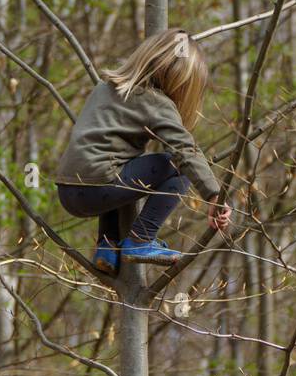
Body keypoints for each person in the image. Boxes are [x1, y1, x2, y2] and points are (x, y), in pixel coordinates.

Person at [56, 28, 232, 274]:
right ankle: (140, 241)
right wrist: (214, 195)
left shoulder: (105, 88)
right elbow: (185, 150)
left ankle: (107, 247)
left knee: (117, 165)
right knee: (176, 167)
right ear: (181, 82)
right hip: (98, 189)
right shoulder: (157, 102)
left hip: (67, 190)